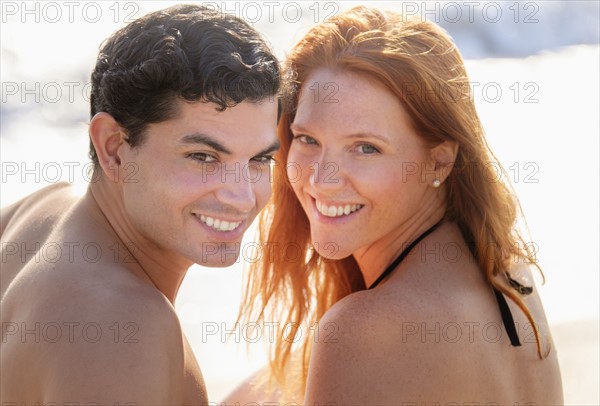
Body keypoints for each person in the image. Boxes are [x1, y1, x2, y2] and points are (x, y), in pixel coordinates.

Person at [230, 6, 563, 405]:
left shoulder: (367, 327)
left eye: (366, 148)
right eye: (307, 139)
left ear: (439, 160)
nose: (321, 179)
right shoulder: (507, 275)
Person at [0, 4, 279, 404]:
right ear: (114, 149)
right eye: (203, 157)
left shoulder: (35, 214)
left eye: (259, 160)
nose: (242, 197)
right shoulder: (121, 331)